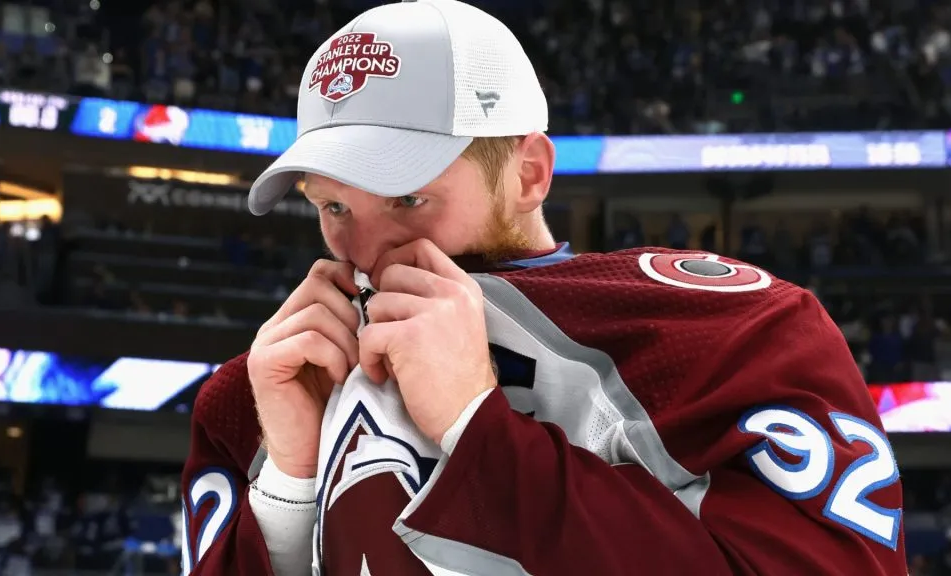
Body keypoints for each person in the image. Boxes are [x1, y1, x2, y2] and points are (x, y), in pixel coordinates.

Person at [181, 1, 908, 575]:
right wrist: (287, 485)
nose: (365, 253)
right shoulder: (251, 398)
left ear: (529, 173)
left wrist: (478, 429)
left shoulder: (729, 337)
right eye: (333, 207)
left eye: (408, 199)